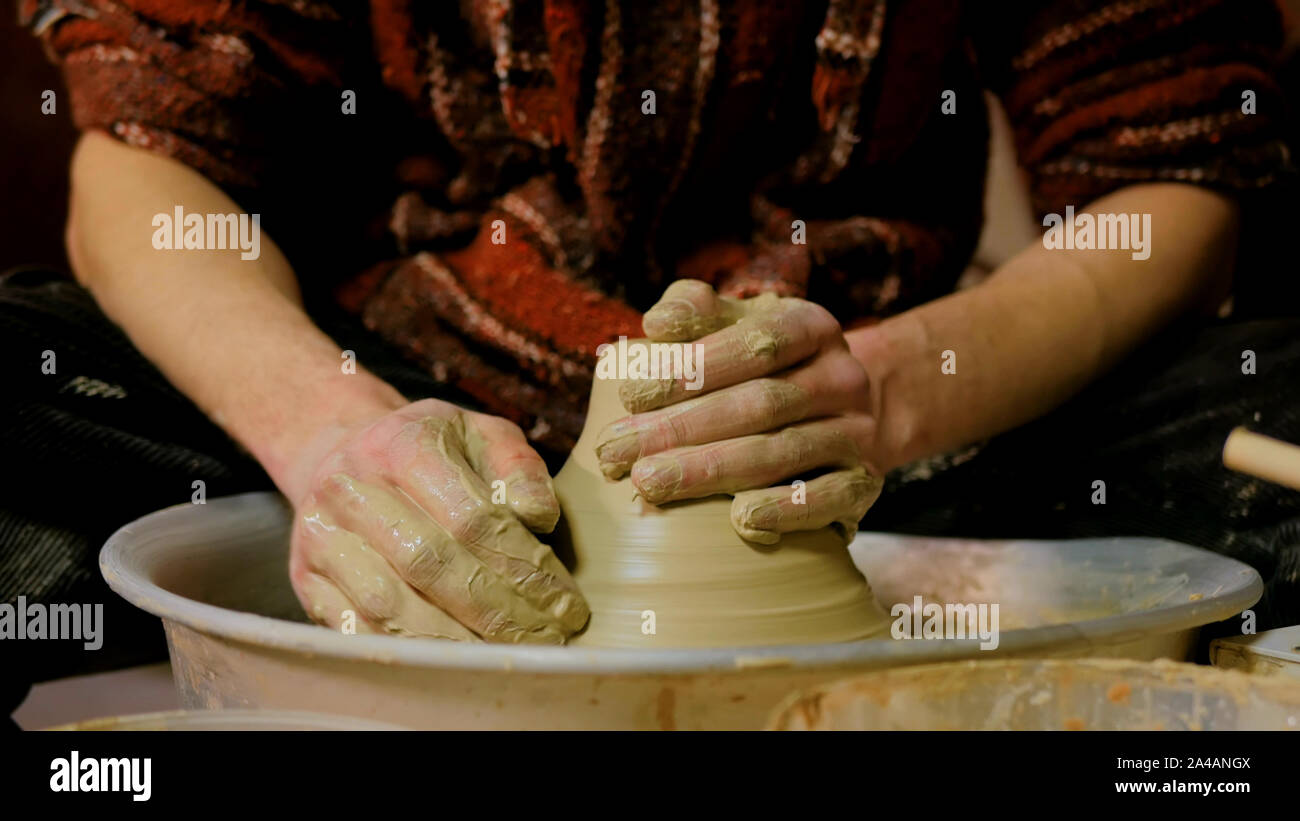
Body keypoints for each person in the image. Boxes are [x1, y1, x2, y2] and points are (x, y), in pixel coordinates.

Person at [5, 0, 1297, 677]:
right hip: (411, 397)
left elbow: (1167, 178)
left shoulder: (888, 396)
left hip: (872, 423)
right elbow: (140, 176)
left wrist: (899, 390)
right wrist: (329, 432)